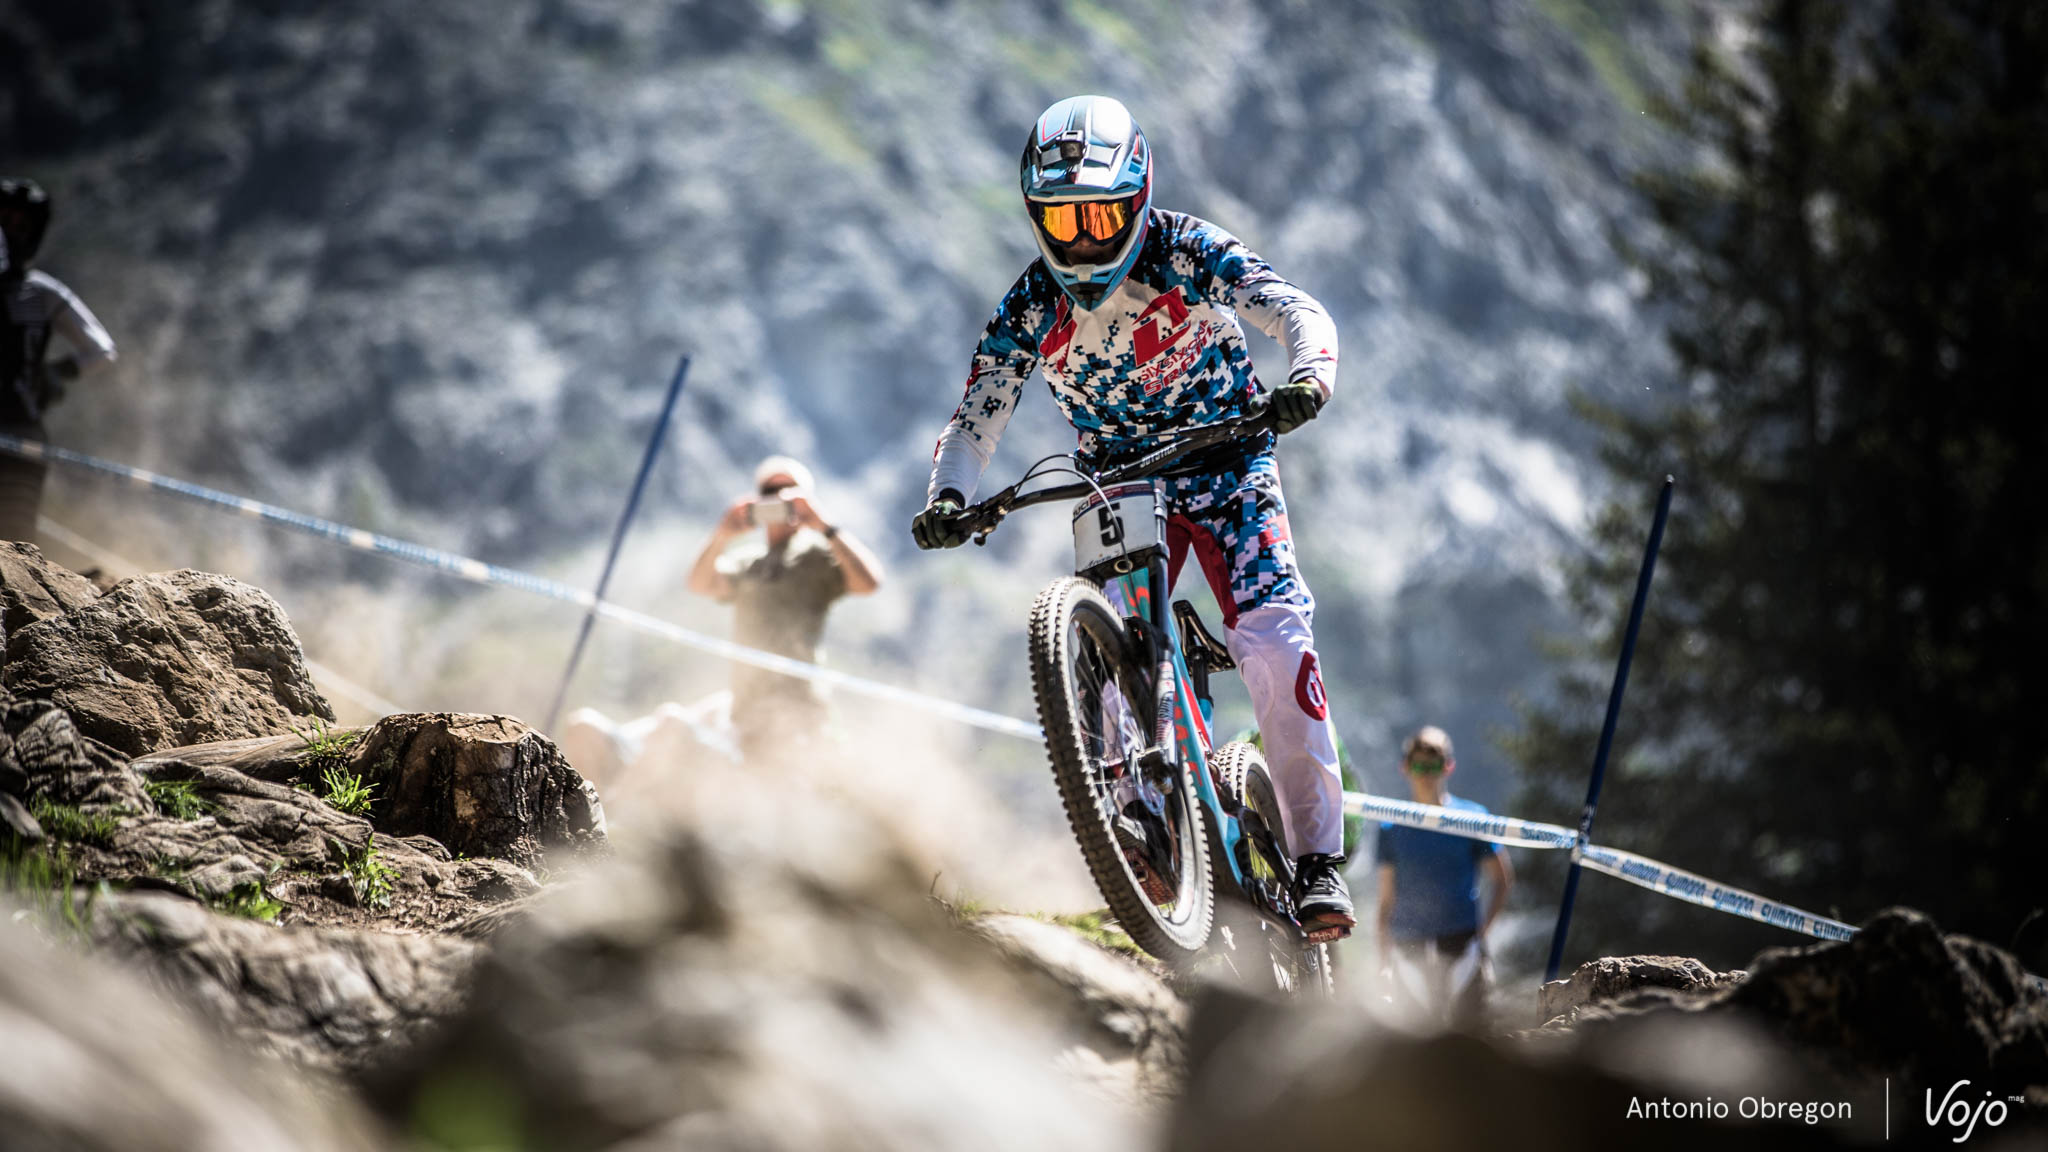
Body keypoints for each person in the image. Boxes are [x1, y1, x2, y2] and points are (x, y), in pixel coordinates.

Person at [909, 95, 1354, 936]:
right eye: (1063, 221)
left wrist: (1308, 376)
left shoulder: (1185, 248)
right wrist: (949, 498)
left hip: (1228, 458)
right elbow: (976, 419)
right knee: (1111, 654)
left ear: (1139, 197)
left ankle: (1318, 861)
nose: (1082, 239)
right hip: (1121, 485)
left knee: (1275, 638)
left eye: (1100, 215)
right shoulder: (1029, 307)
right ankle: (1148, 815)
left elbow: (1294, 308)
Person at [686, 455, 883, 767]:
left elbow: (869, 582)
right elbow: (700, 584)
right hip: (747, 714)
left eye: (789, 491)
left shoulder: (818, 557)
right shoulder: (749, 562)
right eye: (769, 491)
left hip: (799, 716)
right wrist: (722, 534)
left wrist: (823, 526)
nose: (778, 498)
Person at [1, 178, 117, 544]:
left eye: (20, 225)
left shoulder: (41, 292)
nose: (9, 233)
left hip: (21, 439)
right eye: (3, 221)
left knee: (13, 551)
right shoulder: (43, 291)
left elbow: (102, 348)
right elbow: (100, 350)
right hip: (25, 436)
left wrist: (55, 373)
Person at [1373, 725, 1514, 1025]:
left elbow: (1501, 880)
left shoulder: (1472, 818)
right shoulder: (1390, 826)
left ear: (1448, 766)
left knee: (1472, 1039)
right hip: (1407, 949)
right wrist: (1383, 961)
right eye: (1419, 765)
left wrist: (1481, 936)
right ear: (1405, 767)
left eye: (1434, 764)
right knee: (1413, 1045)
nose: (1426, 773)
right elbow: (1386, 899)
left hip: (1462, 946)